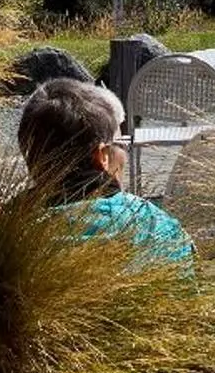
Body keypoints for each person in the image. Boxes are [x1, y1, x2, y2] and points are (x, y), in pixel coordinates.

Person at [16, 78, 194, 267]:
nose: (125, 154)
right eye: (120, 144)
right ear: (102, 156)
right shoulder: (156, 225)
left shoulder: (6, 230)